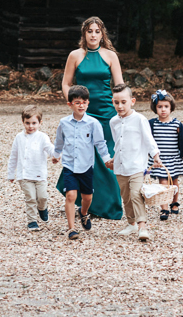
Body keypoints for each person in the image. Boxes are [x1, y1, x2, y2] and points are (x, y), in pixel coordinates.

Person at [58, 16, 124, 220]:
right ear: (84, 34)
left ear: (102, 34)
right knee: (83, 154)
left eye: (97, 31)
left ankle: (109, 205)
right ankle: (84, 202)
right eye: (89, 31)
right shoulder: (75, 55)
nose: (93, 35)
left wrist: (122, 107)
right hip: (84, 111)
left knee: (107, 156)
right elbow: (66, 84)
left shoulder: (110, 55)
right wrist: (73, 104)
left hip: (106, 112)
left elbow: (119, 85)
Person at [53, 85, 113, 240]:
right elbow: (59, 141)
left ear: (88, 103)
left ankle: (84, 213)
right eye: (77, 102)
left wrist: (107, 159)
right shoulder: (64, 123)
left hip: (86, 166)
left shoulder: (93, 123)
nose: (81, 105)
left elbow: (100, 143)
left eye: (84, 102)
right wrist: (56, 154)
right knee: (71, 195)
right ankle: (71, 228)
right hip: (69, 166)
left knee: (87, 198)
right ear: (70, 104)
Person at [108, 84, 162, 241]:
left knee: (136, 194)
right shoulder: (113, 122)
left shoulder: (140, 119)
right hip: (120, 165)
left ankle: (142, 227)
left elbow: (148, 139)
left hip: (137, 165)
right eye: (116, 102)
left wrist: (156, 155)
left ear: (132, 101)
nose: (120, 106)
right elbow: (118, 142)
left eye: (123, 102)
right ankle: (131, 223)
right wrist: (114, 157)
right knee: (125, 196)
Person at [7, 105, 55, 232]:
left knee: (42, 197)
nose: (31, 126)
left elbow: (50, 148)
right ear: (23, 122)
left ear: (40, 123)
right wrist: (11, 173)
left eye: (34, 123)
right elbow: (14, 156)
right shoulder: (19, 137)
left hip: (40, 174)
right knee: (30, 198)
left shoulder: (42, 137)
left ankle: (42, 208)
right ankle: (32, 221)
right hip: (25, 175)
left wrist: (56, 154)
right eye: (27, 123)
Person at [147, 89, 183, 220]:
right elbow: (147, 139)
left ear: (171, 107)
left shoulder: (176, 124)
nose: (163, 110)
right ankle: (164, 208)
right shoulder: (152, 124)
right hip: (159, 159)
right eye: (160, 107)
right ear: (155, 108)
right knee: (163, 182)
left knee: (174, 181)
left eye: (166, 106)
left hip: (174, 158)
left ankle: (174, 202)